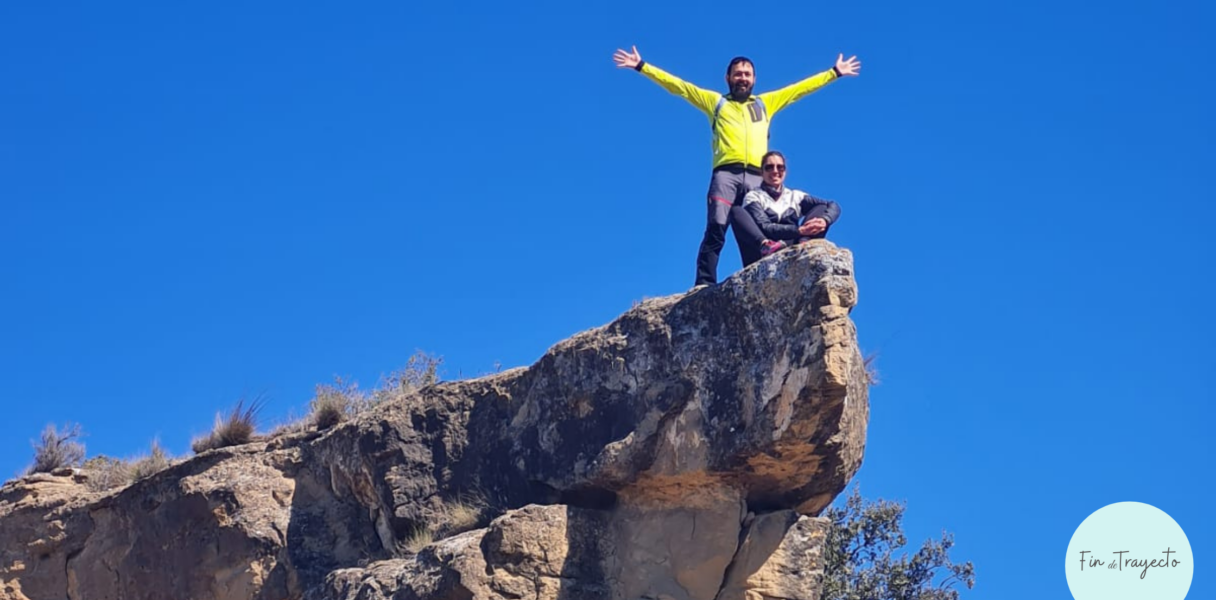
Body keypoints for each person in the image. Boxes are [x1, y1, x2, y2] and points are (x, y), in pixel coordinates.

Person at [612, 46, 860, 286]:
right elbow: (680, 88)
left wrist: (834, 72)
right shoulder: (716, 103)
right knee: (717, 226)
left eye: (747, 74)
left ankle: (757, 271)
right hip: (726, 174)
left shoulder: (765, 104)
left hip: (756, 176)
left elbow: (799, 89)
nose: (743, 78)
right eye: (738, 74)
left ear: (754, 79)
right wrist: (642, 66)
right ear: (728, 77)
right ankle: (704, 282)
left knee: (757, 226)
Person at [744, 151, 841, 257]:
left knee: (822, 207)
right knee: (737, 211)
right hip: (765, 248)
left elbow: (832, 205)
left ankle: (804, 242)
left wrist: (824, 220)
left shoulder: (795, 196)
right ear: (761, 172)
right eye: (769, 167)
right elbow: (766, 227)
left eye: (780, 167)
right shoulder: (753, 196)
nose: (775, 171)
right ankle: (769, 245)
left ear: (785, 171)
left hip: (792, 243)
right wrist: (799, 230)